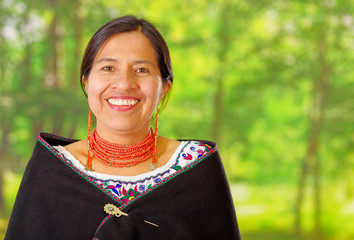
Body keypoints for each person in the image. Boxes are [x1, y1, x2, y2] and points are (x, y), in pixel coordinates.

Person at [5, 15, 240, 239]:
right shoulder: (52, 168)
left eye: (142, 70)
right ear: (86, 82)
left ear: (165, 87)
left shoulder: (196, 166)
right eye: (108, 68)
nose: (124, 83)